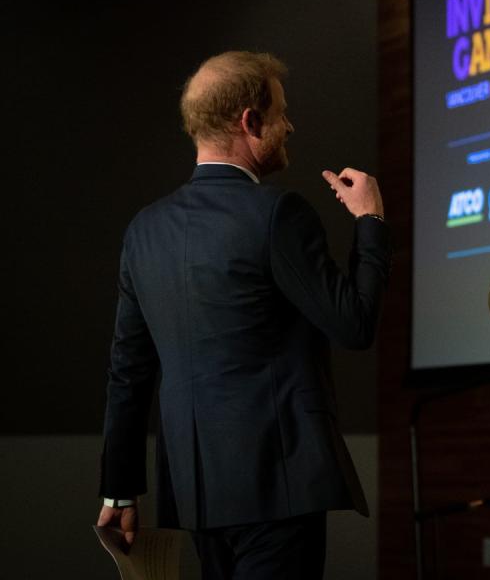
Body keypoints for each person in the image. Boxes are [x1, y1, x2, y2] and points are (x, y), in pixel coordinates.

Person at [96, 51, 390, 579]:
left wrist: (120, 490)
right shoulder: (277, 213)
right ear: (250, 122)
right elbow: (355, 324)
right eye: (280, 113)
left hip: (196, 493)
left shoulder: (143, 230)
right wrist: (370, 221)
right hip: (278, 487)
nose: (290, 126)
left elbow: (128, 370)